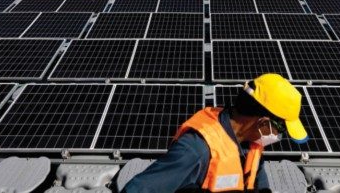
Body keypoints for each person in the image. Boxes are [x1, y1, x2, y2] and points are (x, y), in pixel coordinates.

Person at [121, 73, 309, 193]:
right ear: (263, 122)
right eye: (281, 129)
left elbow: (256, 178)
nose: (279, 136)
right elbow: (138, 189)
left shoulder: (251, 142)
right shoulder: (196, 151)